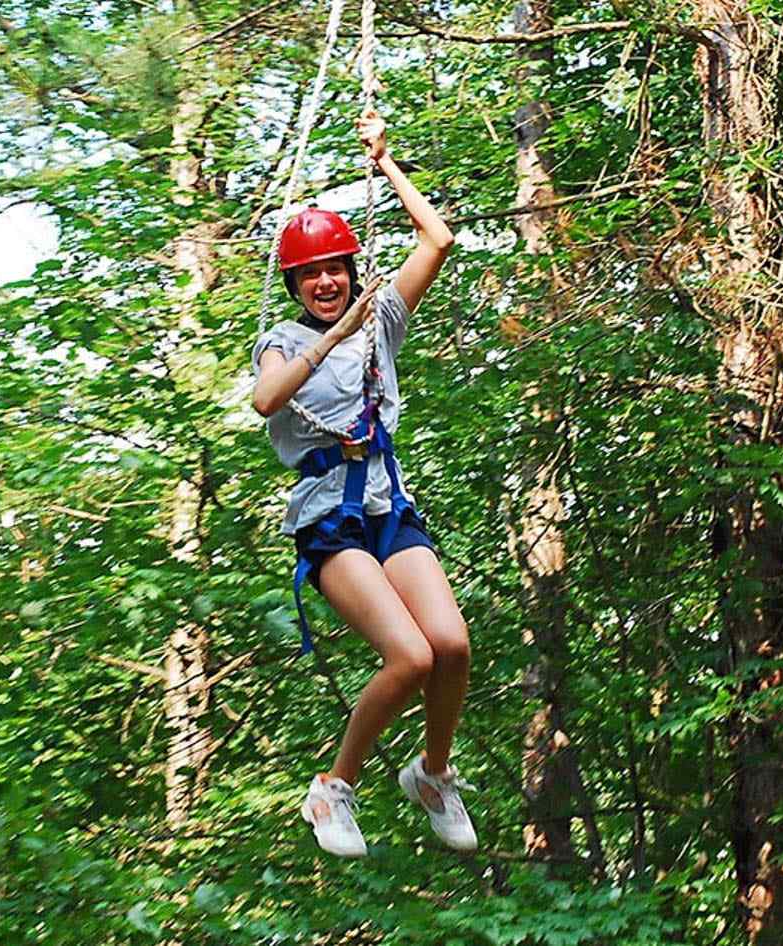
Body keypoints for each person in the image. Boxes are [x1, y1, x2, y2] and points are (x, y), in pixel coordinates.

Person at [251, 108, 476, 858]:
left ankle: (432, 775)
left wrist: (384, 165)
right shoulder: (281, 341)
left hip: (387, 504)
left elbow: (437, 240)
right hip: (329, 520)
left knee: (451, 645)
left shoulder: (380, 317)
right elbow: (266, 399)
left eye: (335, 269)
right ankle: (332, 790)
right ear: (293, 283)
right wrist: (335, 338)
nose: (325, 281)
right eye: (311, 273)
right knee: (408, 657)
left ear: (351, 271)